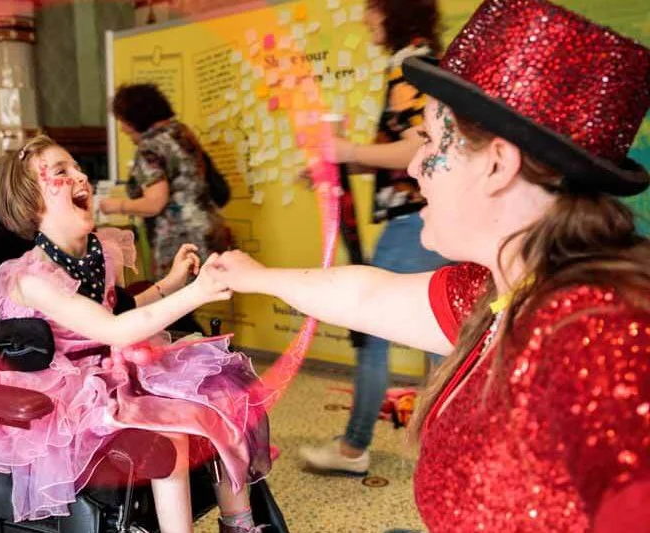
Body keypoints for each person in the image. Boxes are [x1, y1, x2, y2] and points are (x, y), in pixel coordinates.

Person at [208, 0, 650, 530]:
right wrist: (253, 276)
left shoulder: (594, 338)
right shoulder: (508, 289)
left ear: (496, 165)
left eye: (433, 144)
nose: (416, 166)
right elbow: (367, 297)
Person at [0, 135, 269, 533]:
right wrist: (198, 292)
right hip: (65, 394)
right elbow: (114, 329)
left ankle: (238, 524)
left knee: (222, 390)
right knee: (170, 431)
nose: (81, 176)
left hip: (116, 368)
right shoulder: (32, 278)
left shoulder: (100, 250)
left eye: (77, 167)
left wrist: (171, 283)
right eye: (61, 172)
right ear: (32, 201)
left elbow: (118, 311)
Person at [299, 0, 448, 475]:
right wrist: (343, 164)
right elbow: (407, 156)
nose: (366, 21)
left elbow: (420, 148)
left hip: (411, 221)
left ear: (393, 12)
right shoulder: (422, 63)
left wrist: (344, 149)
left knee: (372, 332)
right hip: (426, 218)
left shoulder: (412, 67)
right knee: (439, 337)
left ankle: (354, 447)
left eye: (372, 10)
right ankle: (446, 442)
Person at [100, 83, 230, 298]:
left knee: (175, 307)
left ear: (135, 117)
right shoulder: (182, 133)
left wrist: (114, 206)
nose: (122, 129)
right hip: (209, 229)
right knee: (191, 303)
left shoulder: (150, 147)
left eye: (123, 120)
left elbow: (155, 202)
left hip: (178, 240)